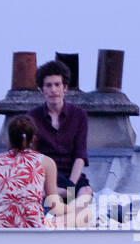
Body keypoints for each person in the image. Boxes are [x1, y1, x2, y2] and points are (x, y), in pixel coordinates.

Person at [0, 116, 62, 228]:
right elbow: (54, 207)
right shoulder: (46, 162)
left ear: (9, 138)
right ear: (34, 138)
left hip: (0, 228)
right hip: (34, 227)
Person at [29, 60, 93, 202]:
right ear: (41, 89)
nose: (53, 90)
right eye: (48, 85)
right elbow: (31, 157)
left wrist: (70, 188)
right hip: (45, 178)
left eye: (57, 84)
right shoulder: (32, 117)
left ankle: (69, 214)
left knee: (86, 192)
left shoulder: (79, 115)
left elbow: (80, 156)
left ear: (65, 87)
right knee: (34, 194)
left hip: (72, 178)